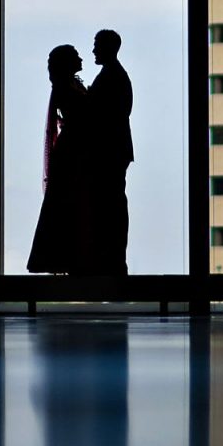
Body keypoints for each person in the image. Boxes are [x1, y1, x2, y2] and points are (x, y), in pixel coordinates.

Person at [25, 45, 89, 274]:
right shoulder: (67, 88)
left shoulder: (67, 86)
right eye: (76, 56)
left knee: (66, 203)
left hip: (72, 148)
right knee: (68, 202)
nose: (81, 58)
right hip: (73, 150)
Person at [75, 29, 134, 277]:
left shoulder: (113, 77)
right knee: (111, 205)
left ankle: (113, 261)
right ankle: (111, 259)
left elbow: (105, 114)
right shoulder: (114, 76)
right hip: (113, 150)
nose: (93, 51)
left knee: (111, 206)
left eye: (97, 45)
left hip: (109, 151)